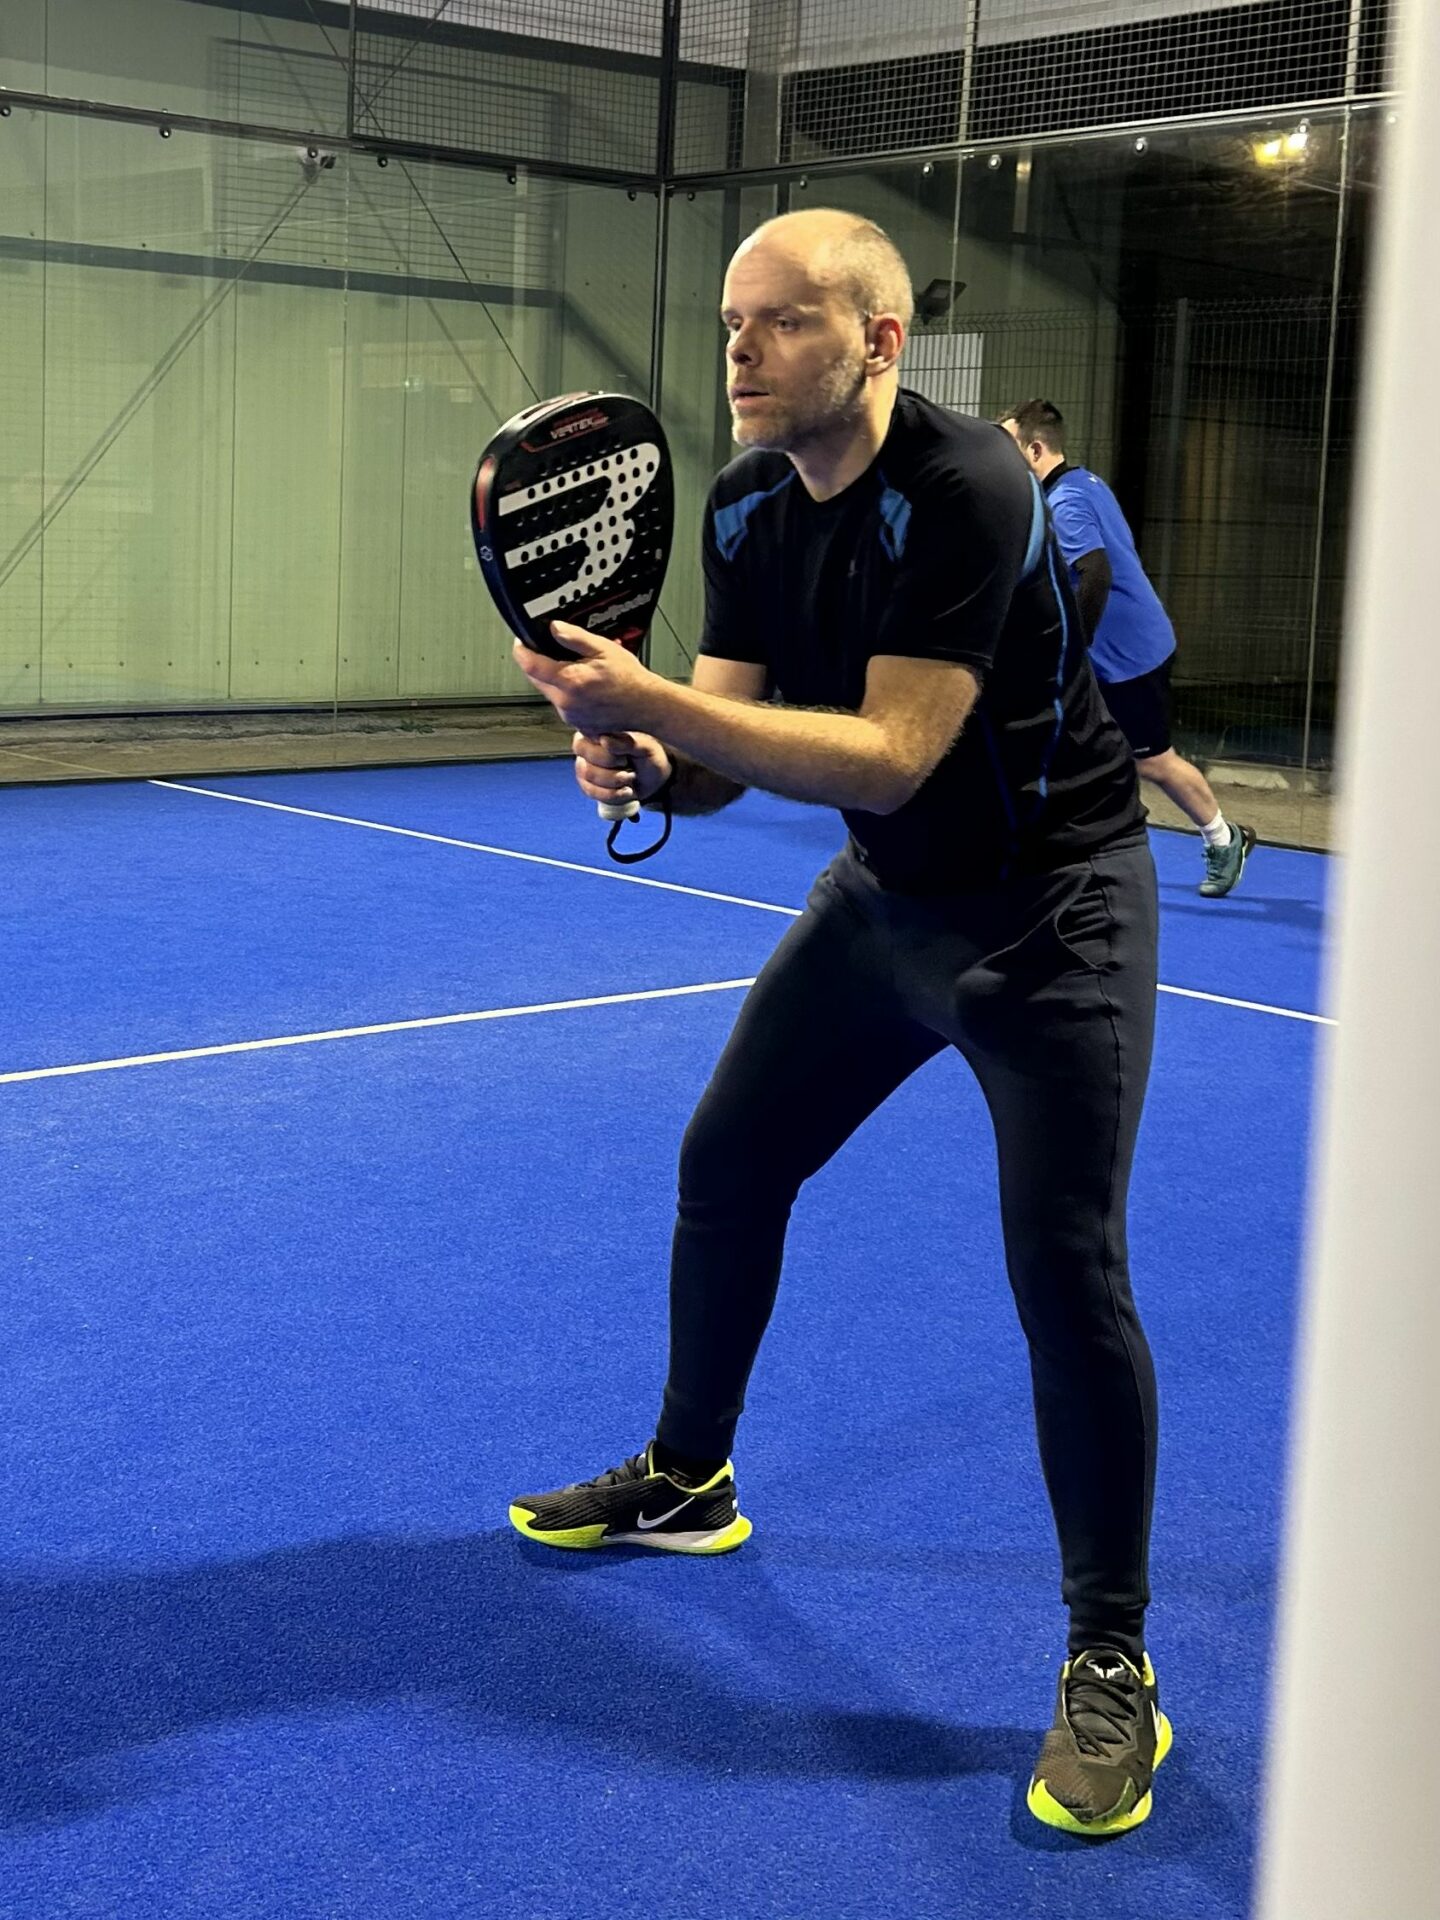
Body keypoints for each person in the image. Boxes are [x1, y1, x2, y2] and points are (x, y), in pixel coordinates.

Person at [510, 209, 1171, 1837]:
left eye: (784, 320)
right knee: (727, 1161)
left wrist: (647, 700)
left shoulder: (971, 487)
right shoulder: (747, 501)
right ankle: (691, 1477)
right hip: (884, 909)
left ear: (878, 342)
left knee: (1065, 1269)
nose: (741, 349)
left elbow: (891, 752)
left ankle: (1112, 1660)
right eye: (733, 322)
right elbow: (724, 745)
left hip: (1053, 916)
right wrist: (648, 754)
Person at [1000, 399, 1256, 897]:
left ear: (1035, 450)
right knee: (1063, 747)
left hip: (1129, 656)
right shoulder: (1084, 483)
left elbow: (1094, 574)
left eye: (1010, 447)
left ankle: (1225, 838)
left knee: (1153, 761)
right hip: (1119, 650)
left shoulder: (1065, 502)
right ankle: (1066, 849)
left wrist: (1072, 649)